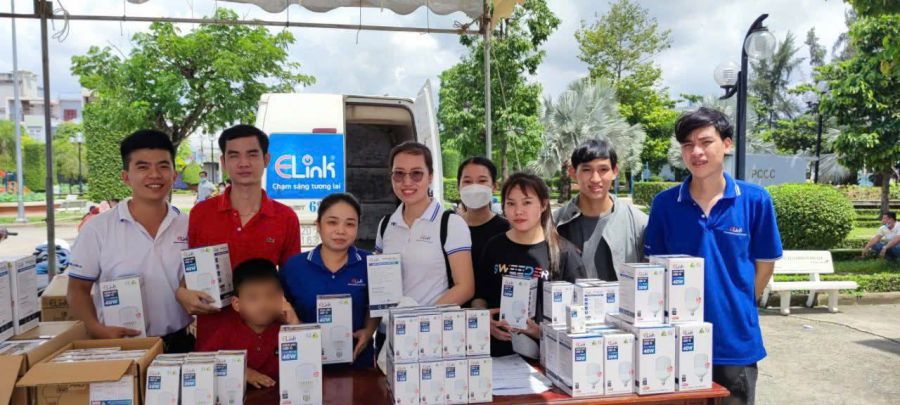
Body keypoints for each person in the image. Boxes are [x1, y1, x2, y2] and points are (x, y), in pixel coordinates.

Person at [644, 107, 783, 405]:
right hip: (676, 344)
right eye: (687, 145)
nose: (696, 151)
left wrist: (737, 303)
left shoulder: (755, 200)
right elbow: (654, 270)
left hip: (735, 342)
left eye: (706, 142)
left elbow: (765, 265)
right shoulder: (665, 204)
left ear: (727, 144)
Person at [67, 129, 194, 352]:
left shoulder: (189, 225)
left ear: (174, 175)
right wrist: (97, 329)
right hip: (120, 344)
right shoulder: (98, 228)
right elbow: (77, 289)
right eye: (143, 167)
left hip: (179, 344)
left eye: (163, 166)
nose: (155, 175)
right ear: (126, 177)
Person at [177, 124, 301, 349]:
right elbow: (191, 272)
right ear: (224, 163)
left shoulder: (285, 217)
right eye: (234, 155)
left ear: (266, 159)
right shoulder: (201, 214)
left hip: (267, 345)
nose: (244, 163)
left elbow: (291, 282)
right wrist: (181, 293)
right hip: (214, 342)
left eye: (252, 154)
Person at [374, 141, 474, 354]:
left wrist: (418, 320)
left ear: (431, 176)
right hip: (388, 334)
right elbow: (379, 288)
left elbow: (465, 287)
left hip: (431, 335)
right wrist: (369, 329)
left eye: (416, 174)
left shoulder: (450, 223)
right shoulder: (385, 225)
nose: (406, 182)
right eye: (398, 174)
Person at [473, 172, 586, 357]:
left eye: (527, 202)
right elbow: (479, 296)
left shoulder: (564, 252)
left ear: (543, 204)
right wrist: (483, 319)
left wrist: (538, 332)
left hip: (546, 360)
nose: (518, 211)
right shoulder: (493, 246)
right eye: (511, 203)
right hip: (496, 357)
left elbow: (580, 317)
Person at [281, 193, 378, 368]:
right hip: (306, 365)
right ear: (318, 225)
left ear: (357, 228)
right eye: (332, 222)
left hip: (358, 365)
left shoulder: (371, 263)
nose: (340, 231)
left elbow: (377, 304)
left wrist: (369, 331)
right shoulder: (294, 266)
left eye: (349, 224)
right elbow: (281, 310)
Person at [554, 139, 647, 281]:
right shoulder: (553, 223)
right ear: (573, 172)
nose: (595, 179)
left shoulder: (639, 223)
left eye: (603, 170)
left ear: (615, 171)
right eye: (586, 170)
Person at [196, 259, 284, 388]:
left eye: (270, 295)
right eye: (253, 298)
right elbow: (201, 361)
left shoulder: (286, 330)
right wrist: (243, 371)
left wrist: (293, 321)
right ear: (237, 304)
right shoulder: (227, 332)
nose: (263, 304)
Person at [457, 157, 509, 280]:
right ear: (458, 186)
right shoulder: (448, 227)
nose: (474, 187)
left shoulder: (507, 229)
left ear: (494, 186)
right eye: (468, 181)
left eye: (482, 181)